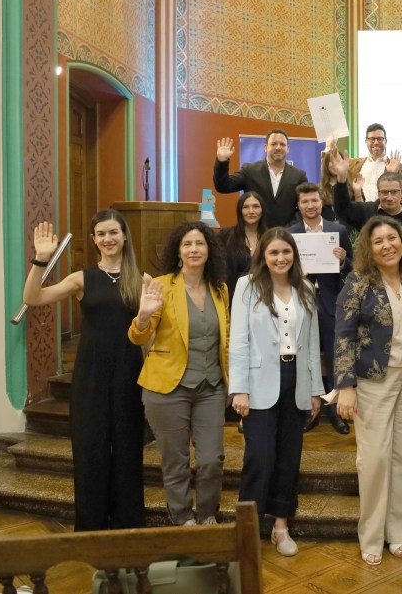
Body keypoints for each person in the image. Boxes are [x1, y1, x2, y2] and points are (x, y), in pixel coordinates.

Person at [22, 211, 148, 531]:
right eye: (101, 234)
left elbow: (151, 333)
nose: (107, 239)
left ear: (125, 236)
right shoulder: (82, 279)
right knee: (90, 449)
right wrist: (41, 260)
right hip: (91, 375)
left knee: (128, 449)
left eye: (113, 232)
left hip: (130, 371)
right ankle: (90, 527)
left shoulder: (143, 280)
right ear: (93, 239)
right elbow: (33, 297)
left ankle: (128, 525)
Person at [333, 216, 402, 566]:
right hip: (373, 381)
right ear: (368, 250)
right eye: (378, 241)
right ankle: (371, 536)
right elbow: (342, 335)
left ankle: (398, 532)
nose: (387, 245)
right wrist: (345, 386)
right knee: (374, 461)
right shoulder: (358, 282)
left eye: (392, 238)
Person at [128, 221, 230, 526]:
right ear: (178, 251)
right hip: (167, 388)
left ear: (209, 250)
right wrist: (143, 316)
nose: (194, 249)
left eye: (200, 243)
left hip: (211, 386)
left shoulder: (220, 289)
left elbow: (225, 340)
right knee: (176, 461)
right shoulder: (161, 285)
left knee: (212, 459)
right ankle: (183, 518)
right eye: (187, 244)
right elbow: (138, 337)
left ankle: (208, 514)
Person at [228, 228, 323, 556]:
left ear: (294, 254)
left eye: (286, 252)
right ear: (263, 256)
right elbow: (238, 340)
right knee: (260, 456)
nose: (281, 258)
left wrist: (315, 390)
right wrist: (239, 389)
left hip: (296, 380)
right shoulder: (246, 287)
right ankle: (248, 529)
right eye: (274, 253)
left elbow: (312, 343)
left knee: (288, 457)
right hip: (258, 382)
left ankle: (281, 526)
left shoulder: (306, 289)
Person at [289, 182, 353, 435]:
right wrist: (296, 272)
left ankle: (336, 412)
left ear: (321, 202)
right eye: (305, 201)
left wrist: (343, 260)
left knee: (335, 357)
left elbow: (353, 267)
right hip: (301, 302)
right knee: (305, 357)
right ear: (298, 205)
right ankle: (308, 411)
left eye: (314, 200)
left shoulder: (338, 230)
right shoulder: (291, 233)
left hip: (331, 303)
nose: (310, 205)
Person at [329, 148, 402, 271]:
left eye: (394, 192)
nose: (389, 197)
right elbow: (342, 209)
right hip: (374, 274)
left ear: (401, 192)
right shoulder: (368, 210)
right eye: (384, 192)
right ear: (378, 193)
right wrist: (341, 180)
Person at [213, 131, 307, 228]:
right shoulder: (249, 171)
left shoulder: (299, 176)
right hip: (256, 233)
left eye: (282, 144)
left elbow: (305, 205)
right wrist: (222, 161)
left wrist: (291, 228)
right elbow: (223, 186)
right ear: (266, 147)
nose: (278, 147)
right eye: (274, 144)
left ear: (288, 149)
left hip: (287, 234)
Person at [221, 191, 268, 302]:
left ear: (262, 210)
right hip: (233, 296)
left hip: (264, 297)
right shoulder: (226, 235)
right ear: (240, 211)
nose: (251, 211)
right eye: (246, 207)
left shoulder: (270, 237)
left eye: (256, 206)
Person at [348, 123, 402, 202]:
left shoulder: (401, 168)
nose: (376, 142)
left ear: (385, 141)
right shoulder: (352, 164)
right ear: (366, 141)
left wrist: (394, 174)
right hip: (360, 208)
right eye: (372, 139)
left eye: (380, 139)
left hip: (386, 209)